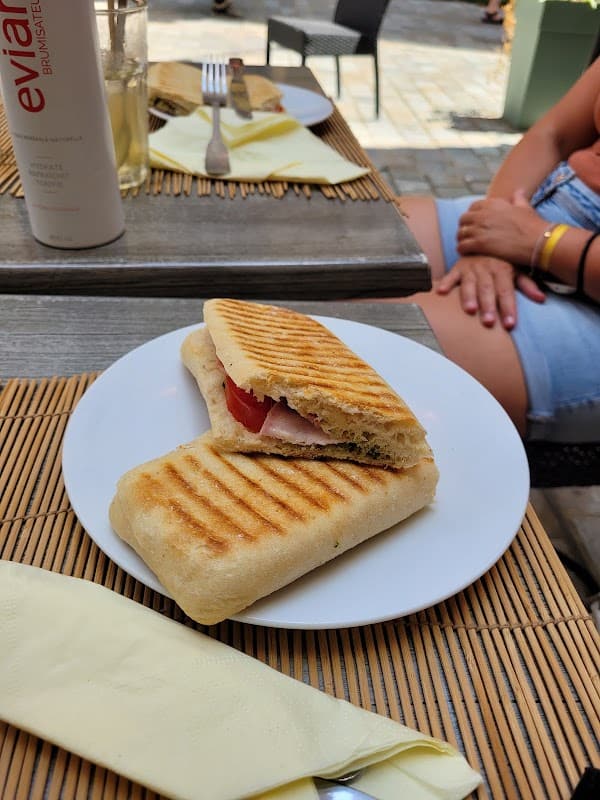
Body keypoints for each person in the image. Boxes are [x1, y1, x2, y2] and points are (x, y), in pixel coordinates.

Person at [393, 57, 600, 443]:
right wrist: (494, 238)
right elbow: (552, 134)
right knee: (327, 243)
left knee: (353, 334)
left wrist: (540, 241)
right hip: (549, 204)